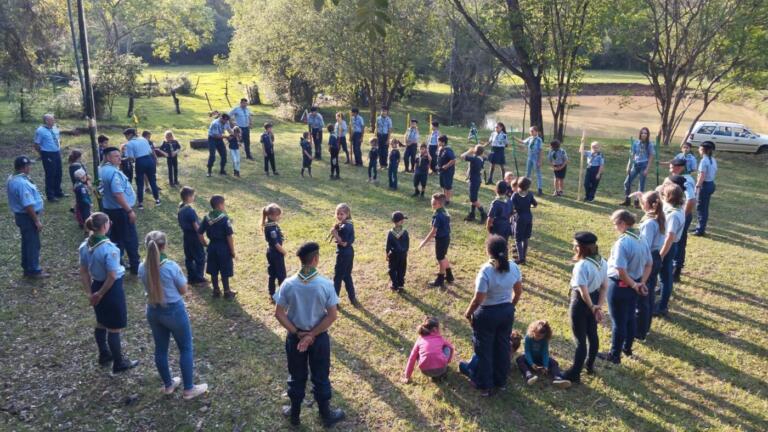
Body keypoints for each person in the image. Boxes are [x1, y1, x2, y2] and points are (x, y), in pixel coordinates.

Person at [274, 242, 346, 427]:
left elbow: (279, 313)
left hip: (295, 338)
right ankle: (326, 415)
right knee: (320, 375)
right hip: (319, 338)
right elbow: (332, 315)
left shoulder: (288, 283)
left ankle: (295, 415)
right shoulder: (325, 284)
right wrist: (312, 334)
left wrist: (298, 333)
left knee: (296, 375)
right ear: (315, 259)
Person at [139, 231, 208, 399]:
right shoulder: (170, 267)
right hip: (174, 311)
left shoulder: (142, 267)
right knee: (185, 347)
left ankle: (168, 385)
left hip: (153, 310)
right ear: (164, 246)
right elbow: (183, 290)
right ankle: (189, 389)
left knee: (160, 349)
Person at [78, 212, 139, 372]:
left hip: (96, 285)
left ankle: (104, 354)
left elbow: (83, 271)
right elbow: (112, 275)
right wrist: (100, 294)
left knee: (101, 321)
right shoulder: (109, 249)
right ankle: (119, 363)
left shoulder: (85, 246)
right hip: (111, 290)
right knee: (114, 327)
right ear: (105, 226)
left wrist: (90, 293)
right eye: (108, 222)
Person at [463, 235, 523, 396]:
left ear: (488, 251)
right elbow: (518, 292)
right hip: (506, 312)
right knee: (503, 346)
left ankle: (485, 385)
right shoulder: (514, 267)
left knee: (484, 349)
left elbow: (478, 299)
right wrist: (510, 306)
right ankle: (501, 381)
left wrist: (468, 313)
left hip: (487, 314)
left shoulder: (486, 270)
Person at [598, 210, 652, 364]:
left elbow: (620, 271)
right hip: (635, 283)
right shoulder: (642, 238)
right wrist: (640, 283)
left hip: (619, 286)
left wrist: (634, 285)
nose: (614, 227)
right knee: (630, 317)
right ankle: (627, 348)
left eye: (615, 224)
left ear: (622, 223)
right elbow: (649, 264)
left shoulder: (622, 243)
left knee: (618, 321)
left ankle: (614, 355)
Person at [560, 232, 607, 383]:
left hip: (581, 303)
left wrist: (592, 307)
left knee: (580, 339)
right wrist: (598, 307)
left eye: (575, 245)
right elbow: (604, 287)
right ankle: (590, 365)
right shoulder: (603, 262)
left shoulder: (582, 265)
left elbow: (582, 290)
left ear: (581, 248)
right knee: (592, 334)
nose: (573, 247)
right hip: (594, 299)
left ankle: (575, 373)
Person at [99, 147, 140, 275]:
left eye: (119, 155)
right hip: (120, 211)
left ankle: (117, 264)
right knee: (130, 238)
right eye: (116, 156)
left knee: (115, 238)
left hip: (109, 209)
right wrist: (129, 211)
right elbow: (118, 194)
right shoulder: (113, 173)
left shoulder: (100, 170)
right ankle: (135, 266)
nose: (120, 158)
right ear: (108, 157)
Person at [6, 156, 48, 278]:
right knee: (33, 244)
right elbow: (28, 205)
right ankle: (34, 270)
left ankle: (27, 267)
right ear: (24, 167)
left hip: (21, 216)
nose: (30, 168)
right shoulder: (21, 183)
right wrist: (36, 221)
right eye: (29, 165)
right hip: (27, 217)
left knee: (27, 243)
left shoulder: (13, 178)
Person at [635, 191, 664, 341]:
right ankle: (645, 327)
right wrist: (641, 196)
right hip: (656, 256)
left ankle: (639, 330)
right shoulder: (658, 217)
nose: (642, 204)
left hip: (648, 258)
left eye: (643, 202)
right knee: (649, 293)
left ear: (650, 205)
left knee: (642, 294)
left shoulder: (649, 223)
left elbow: (644, 245)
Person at [654, 183, 685, 317]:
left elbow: (670, 237)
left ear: (669, 196)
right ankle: (661, 298)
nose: (662, 196)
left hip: (668, 246)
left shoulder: (673, 215)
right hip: (670, 246)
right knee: (664, 276)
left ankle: (662, 306)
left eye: (664, 194)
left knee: (665, 278)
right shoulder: (677, 207)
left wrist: (661, 255)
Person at [198, 195, 236, 299]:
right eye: (223, 204)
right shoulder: (224, 218)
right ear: (219, 205)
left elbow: (200, 233)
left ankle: (216, 291)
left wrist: (205, 244)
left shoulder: (207, 217)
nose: (224, 206)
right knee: (224, 270)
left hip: (212, 246)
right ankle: (227, 292)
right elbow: (229, 236)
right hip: (223, 247)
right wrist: (232, 251)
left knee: (213, 270)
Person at [516, 320, 571, 388]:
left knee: (554, 363)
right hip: (530, 359)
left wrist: (545, 366)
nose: (538, 338)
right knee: (519, 359)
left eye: (540, 336)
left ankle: (557, 378)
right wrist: (531, 363)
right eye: (536, 335)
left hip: (540, 359)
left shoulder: (545, 339)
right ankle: (529, 376)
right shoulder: (528, 337)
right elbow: (527, 352)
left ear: (545, 335)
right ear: (533, 331)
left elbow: (545, 353)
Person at [402, 317, 455, 383]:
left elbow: (412, 358)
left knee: (417, 353)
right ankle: (441, 371)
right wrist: (448, 361)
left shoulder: (420, 340)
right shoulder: (440, 338)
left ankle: (430, 366)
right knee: (447, 348)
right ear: (435, 329)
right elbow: (451, 348)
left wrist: (407, 376)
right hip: (442, 369)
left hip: (425, 371)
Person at [668, 159, 696, 282]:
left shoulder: (686, 180)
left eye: (672, 167)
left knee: (679, 241)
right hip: (677, 213)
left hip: (681, 214)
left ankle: (676, 269)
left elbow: (691, 200)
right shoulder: (677, 177)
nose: (670, 170)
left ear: (679, 167)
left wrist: (683, 215)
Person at [418, 193, 454, 288]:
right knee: (443, 256)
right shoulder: (445, 211)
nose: (432, 204)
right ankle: (449, 276)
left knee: (440, 258)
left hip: (441, 239)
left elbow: (433, 231)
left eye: (434, 203)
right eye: (432, 201)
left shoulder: (437, 215)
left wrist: (424, 242)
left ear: (440, 204)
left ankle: (440, 279)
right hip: (446, 237)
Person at [123, 128, 160, 209]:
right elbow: (150, 151)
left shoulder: (129, 143)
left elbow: (131, 158)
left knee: (140, 182)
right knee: (152, 180)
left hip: (140, 161)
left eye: (126, 136)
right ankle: (157, 200)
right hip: (149, 160)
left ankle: (140, 203)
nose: (126, 138)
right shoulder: (143, 139)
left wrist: (123, 159)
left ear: (130, 135)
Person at [177, 186, 207, 285]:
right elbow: (196, 228)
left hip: (186, 237)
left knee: (189, 257)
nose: (194, 197)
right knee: (200, 257)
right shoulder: (190, 211)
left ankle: (191, 277)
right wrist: (202, 240)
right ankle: (199, 278)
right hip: (194, 237)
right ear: (189, 197)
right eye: (193, 196)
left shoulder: (180, 207)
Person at [330, 203, 357, 306]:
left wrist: (335, 234)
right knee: (347, 275)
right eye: (338, 213)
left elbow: (344, 243)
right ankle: (352, 297)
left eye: (342, 214)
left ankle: (334, 302)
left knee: (338, 277)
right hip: (349, 252)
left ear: (347, 214)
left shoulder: (345, 227)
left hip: (343, 254)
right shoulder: (349, 224)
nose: (339, 216)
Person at [34, 113, 65, 202]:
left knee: (58, 172)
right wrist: (42, 154)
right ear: (46, 121)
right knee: (50, 174)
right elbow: (36, 144)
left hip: (57, 152)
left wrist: (58, 146)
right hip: (47, 154)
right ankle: (50, 196)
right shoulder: (40, 130)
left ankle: (58, 192)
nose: (53, 121)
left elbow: (57, 138)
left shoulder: (55, 128)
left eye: (53, 119)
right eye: (51, 119)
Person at [621, 127, 655, 207]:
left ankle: (637, 202)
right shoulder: (636, 143)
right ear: (640, 134)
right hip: (635, 165)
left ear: (648, 135)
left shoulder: (650, 144)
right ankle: (627, 200)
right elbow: (632, 155)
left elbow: (651, 157)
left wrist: (647, 169)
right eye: (642, 133)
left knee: (641, 185)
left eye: (645, 133)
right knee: (626, 183)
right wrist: (629, 165)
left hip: (644, 165)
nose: (644, 134)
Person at [263, 203, 287, 303]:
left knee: (272, 274)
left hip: (271, 252)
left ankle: (272, 294)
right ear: (270, 216)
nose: (279, 217)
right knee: (281, 275)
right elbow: (276, 244)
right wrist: (284, 252)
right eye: (277, 215)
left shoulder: (271, 225)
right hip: (276, 253)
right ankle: (281, 296)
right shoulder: (271, 228)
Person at [510, 177, 538, 265]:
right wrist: (529, 206)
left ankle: (521, 258)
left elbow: (510, 207)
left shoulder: (515, 195)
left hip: (519, 219)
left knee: (518, 239)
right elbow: (535, 204)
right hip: (529, 218)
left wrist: (512, 213)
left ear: (519, 185)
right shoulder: (530, 194)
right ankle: (524, 256)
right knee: (525, 238)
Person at [692, 142, 717, 236]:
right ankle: (700, 226)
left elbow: (702, 175)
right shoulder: (713, 160)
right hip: (711, 184)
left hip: (704, 185)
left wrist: (697, 186)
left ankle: (700, 230)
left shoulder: (704, 161)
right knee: (704, 207)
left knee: (701, 208)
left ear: (703, 150)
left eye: (699, 148)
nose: (698, 150)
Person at [512, 126, 543, 196]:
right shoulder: (530, 138)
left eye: (532, 131)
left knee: (538, 173)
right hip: (530, 157)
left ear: (536, 131)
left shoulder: (539, 140)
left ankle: (540, 189)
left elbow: (540, 151)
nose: (530, 132)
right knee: (528, 173)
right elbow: (523, 142)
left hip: (536, 158)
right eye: (530, 131)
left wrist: (539, 161)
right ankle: (525, 187)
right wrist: (515, 138)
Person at [461, 145, 486, 222]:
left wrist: (469, 151)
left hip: (474, 181)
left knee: (473, 199)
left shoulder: (474, 159)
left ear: (475, 152)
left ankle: (483, 214)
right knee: (473, 197)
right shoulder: (481, 159)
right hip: (476, 180)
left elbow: (462, 156)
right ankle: (472, 214)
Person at [386, 211, 409, 292]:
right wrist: (406, 251)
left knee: (392, 269)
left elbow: (388, 245)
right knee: (401, 269)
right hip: (403, 255)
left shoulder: (390, 233)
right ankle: (401, 285)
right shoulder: (405, 232)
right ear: (402, 221)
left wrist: (387, 254)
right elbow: (407, 244)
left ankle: (395, 285)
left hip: (394, 255)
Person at [437, 135, 456, 205]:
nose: (438, 142)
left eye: (439, 141)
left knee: (447, 186)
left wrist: (446, 166)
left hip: (448, 171)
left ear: (443, 142)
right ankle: (444, 198)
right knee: (443, 185)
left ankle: (447, 200)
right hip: (441, 170)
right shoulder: (440, 149)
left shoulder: (448, 150)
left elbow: (453, 160)